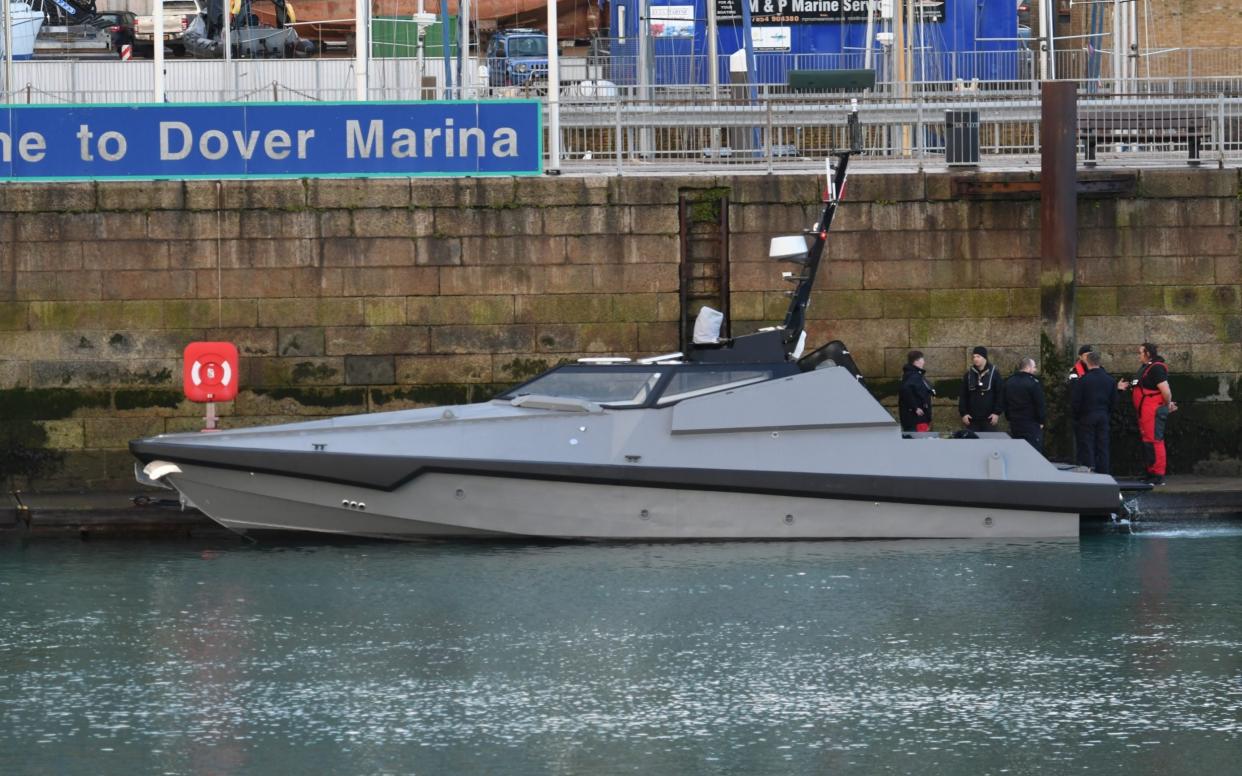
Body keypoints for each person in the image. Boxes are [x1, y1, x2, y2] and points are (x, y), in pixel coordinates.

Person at [1118, 342, 1177, 485]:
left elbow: (1166, 390)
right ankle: (1150, 472)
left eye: (1140, 352)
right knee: (1147, 441)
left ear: (1148, 354)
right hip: (1145, 411)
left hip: (1153, 411)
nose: (1139, 355)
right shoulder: (1147, 367)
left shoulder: (1156, 368)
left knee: (1155, 441)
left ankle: (1158, 475)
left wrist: (1167, 404)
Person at [1071, 351, 1116, 473]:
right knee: (1103, 445)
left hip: (1086, 415)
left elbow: (1076, 401)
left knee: (1087, 444)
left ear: (1087, 362)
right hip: (1103, 414)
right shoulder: (1110, 380)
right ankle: (1104, 471)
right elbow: (1113, 401)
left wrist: (1077, 416)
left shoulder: (1083, 380)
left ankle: (1089, 469)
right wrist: (1107, 413)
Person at [959, 346, 1004, 433]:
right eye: (974, 357)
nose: (975, 359)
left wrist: (996, 413)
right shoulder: (968, 375)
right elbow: (963, 395)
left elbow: (1000, 394)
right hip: (972, 419)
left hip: (989, 419)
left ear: (984, 357)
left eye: (978, 356)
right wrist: (963, 413)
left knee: (989, 444)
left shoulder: (994, 374)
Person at [1005, 357, 1046, 453]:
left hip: (1015, 423)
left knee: (1019, 451)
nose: (1035, 370)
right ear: (1028, 367)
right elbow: (1040, 403)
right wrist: (1041, 421)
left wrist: (1009, 417)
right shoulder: (1033, 383)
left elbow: (1005, 402)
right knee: (1033, 452)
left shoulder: (1009, 382)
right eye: (1034, 367)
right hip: (1030, 423)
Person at [898, 350, 935, 433]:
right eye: (922, 360)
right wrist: (915, 407)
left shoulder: (913, 375)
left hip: (917, 418)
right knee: (920, 441)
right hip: (917, 419)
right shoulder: (913, 376)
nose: (924, 362)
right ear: (917, 361)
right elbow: (905, 390)